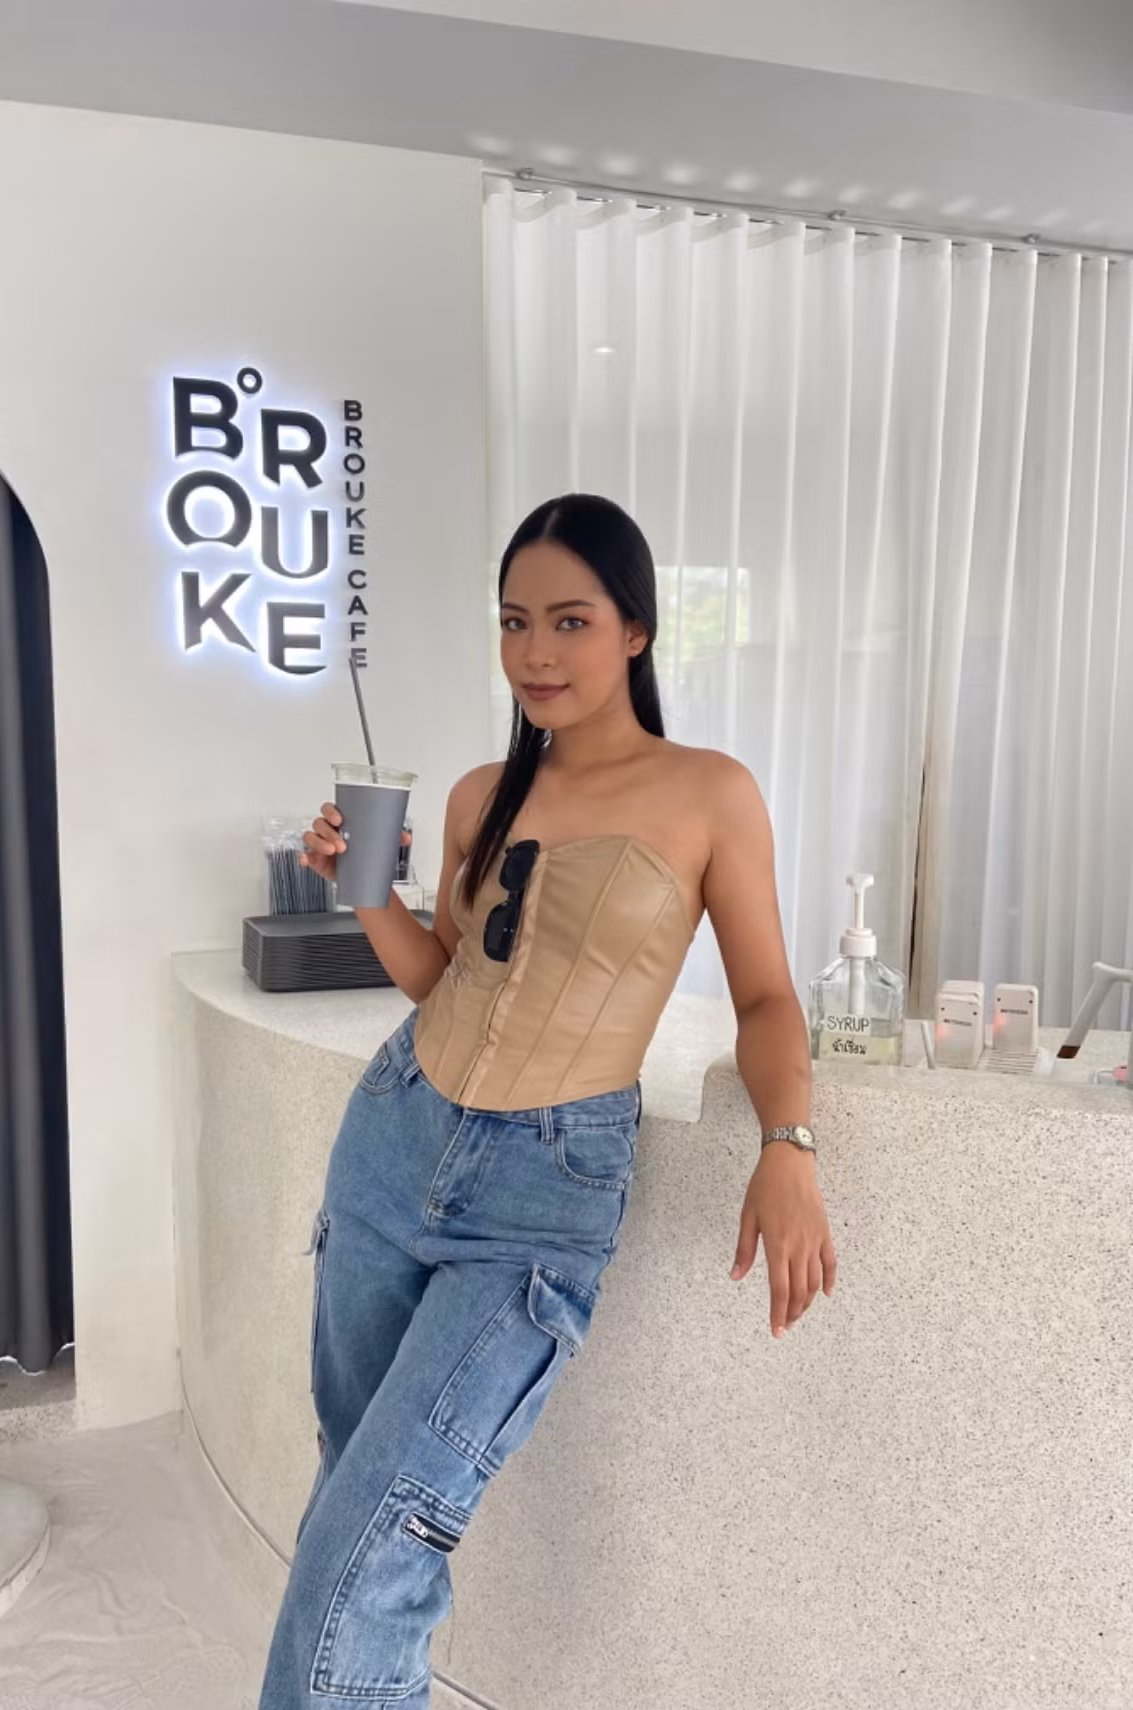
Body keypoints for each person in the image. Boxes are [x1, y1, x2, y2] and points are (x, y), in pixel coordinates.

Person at [257, 493, 836, 1709]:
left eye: (569, 620)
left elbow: (766, 998)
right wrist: (364, 891)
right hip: (392, 1139)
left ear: (635, 629)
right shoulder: (481, 794)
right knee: (355, 1503)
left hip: (539, 1193)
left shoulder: (709, 793)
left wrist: (787, 1143)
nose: (534, 652)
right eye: (514, 622)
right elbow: (443, 977)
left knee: (378, 1534)